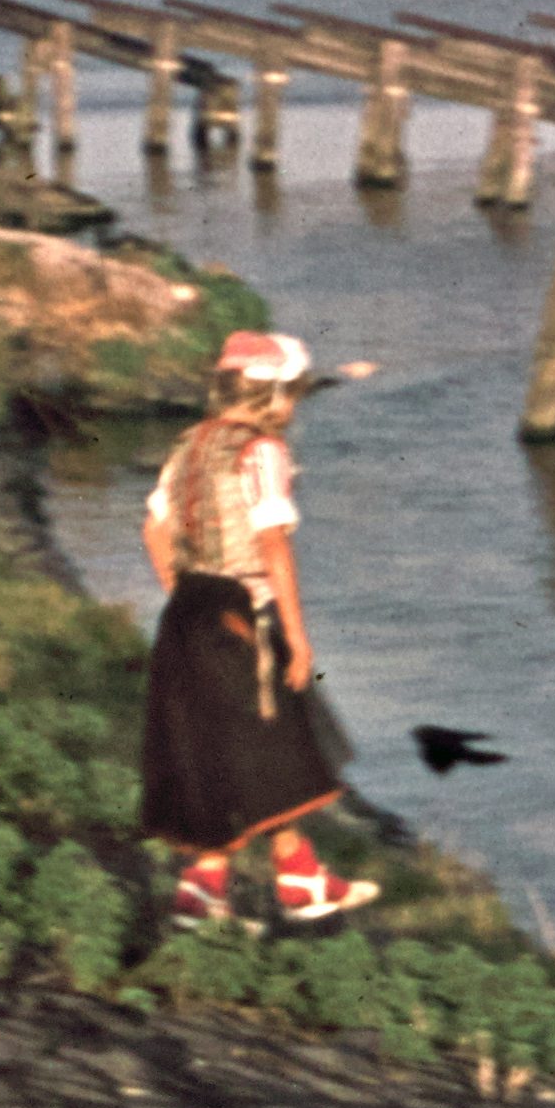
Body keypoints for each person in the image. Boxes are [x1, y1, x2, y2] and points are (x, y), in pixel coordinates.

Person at [141, 330, 382, 929]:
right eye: (292, 394)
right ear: (272, 397)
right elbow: (273, 544)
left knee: (221, 747)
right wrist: (298, 638)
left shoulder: (189, 444)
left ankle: (214, 887)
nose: (294, 406)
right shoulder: (263, 451)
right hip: (244, 611)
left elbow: (154, 531)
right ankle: (292, 881)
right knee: (276, 745)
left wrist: (185, 594)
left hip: (187, 612)